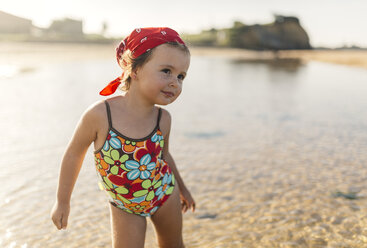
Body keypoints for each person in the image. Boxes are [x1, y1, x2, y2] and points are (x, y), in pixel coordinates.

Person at [51, 27, 196, 248]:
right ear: (133, 69)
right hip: (125, 205)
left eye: (181, 76)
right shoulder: (101, 115)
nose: (175, 82)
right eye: (166, 70)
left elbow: (164, 156)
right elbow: (73, 154)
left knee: (173, 245)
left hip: (164, 193)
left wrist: (183, 189)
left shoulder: (163, 119)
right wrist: (62, 202)